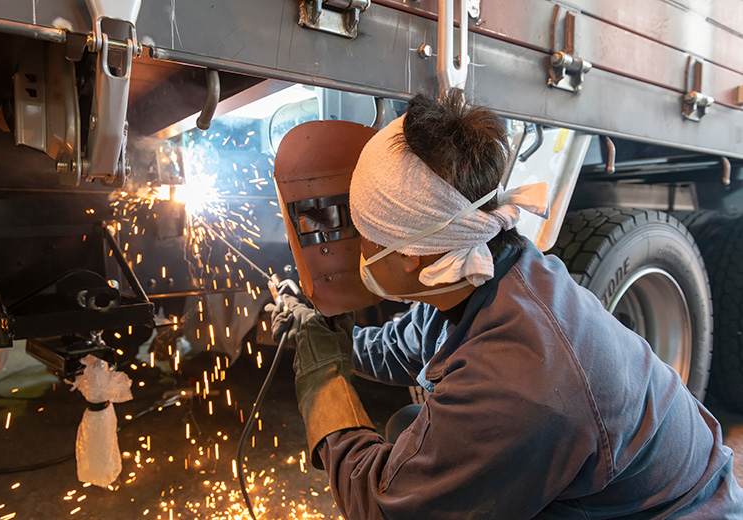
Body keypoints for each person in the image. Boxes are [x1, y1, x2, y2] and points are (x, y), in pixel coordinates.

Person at [270, 89, 743, 519]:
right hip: (617, 484)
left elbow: (381, 505)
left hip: (682, 513)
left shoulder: (516, 381)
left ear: (411, 255)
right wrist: (329, 340)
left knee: (422, 468)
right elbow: (403, 345)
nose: (359, 252)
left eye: (366, 235)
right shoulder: (486, 268)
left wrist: (323, 383)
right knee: (412, 425)